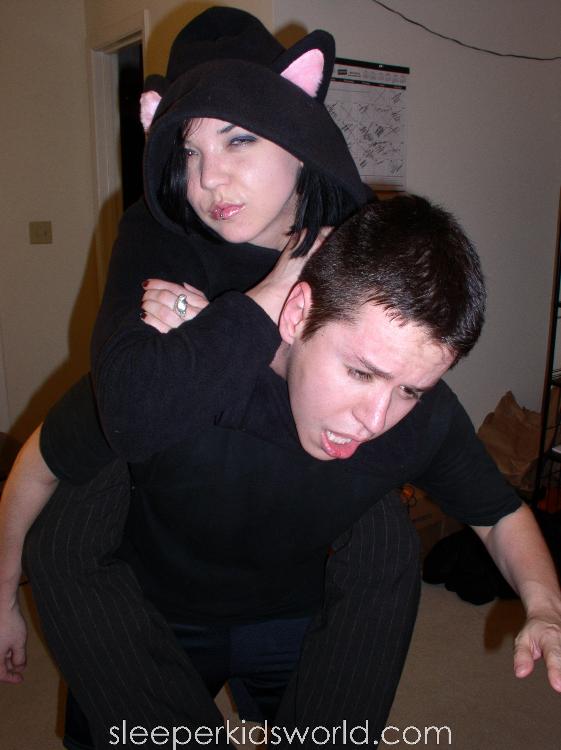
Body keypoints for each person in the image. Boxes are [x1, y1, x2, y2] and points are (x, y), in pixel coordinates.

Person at [3, 196, 561, 750]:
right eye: (360, 372)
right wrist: (4, 598)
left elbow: (500, 513)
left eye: (410, 390)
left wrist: (544, 607)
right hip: (156, 611)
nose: (375, 420)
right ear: (296, 315)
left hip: (295, 614)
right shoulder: (181, 370)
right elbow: (40, 464)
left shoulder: (422, 419)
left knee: (386, 525)